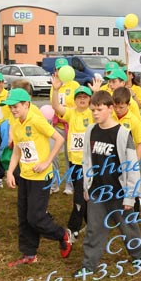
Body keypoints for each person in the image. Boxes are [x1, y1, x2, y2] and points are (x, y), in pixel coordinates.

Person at [75, 91, 141, 276]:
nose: (95, 113)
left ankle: (139, 255)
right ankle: (88, 266)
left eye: (99, 109)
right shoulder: (91, 130)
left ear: (110, 108)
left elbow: (131, 167)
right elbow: (87, 160)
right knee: (93, 229)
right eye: (93, 110)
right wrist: (86, 186)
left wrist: (130, 196)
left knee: (127, 228)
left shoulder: (122, 134)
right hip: (97, 191)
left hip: (119, 193)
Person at [2, 88, 72, 266]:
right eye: (10, 107)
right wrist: (10, 171)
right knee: (23, 217)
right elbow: (18, 150)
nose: (13, 110)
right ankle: (29, 254)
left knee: (35, 217)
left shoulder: (36, 120)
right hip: (25, 176)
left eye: (16, 106)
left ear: (26, 104)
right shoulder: (17, 123)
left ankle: (62, 234)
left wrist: (47, 162)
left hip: (41, 177)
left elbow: (59, 139)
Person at [51, 75, 93, 244]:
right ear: (75, 100)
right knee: (81, 194)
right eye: (79, 97)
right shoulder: (71, 113)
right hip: (74, 162)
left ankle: (73, 229)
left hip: (89, 163)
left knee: (80, 197)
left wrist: (96, 93)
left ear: (90, 100)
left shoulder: (93, 113)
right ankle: (91, 223)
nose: (82, 100)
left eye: (85, 97)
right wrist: (55, 89)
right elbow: (55, 106)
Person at [49, 58, 80, 195]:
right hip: (57, 125)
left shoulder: (75, 85)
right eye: (58, 69)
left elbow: (80, 105)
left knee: (69, 156)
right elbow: (53, 103)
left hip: (71, 126)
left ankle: (70, 185)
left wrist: (69, 108)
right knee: (52, 155)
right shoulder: (54, 85)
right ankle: (54, 184)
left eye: (63, 69)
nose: (61, 72)